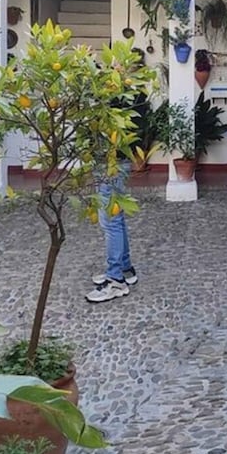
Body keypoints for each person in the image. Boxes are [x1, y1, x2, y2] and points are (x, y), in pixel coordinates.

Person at [85, 95, 146, 304]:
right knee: (115, 219)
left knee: (110, 222)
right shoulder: (125, 92)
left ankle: (115, 280)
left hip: (113, 165)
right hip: (110, 163)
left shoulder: (125, 95)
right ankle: (125, 269)